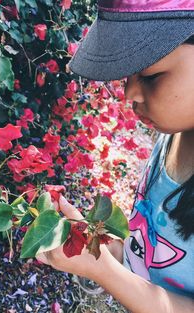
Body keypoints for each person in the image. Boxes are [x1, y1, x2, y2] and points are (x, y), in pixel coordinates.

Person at [37, 1, 194, 312]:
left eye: (150, 75)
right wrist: (112, 249)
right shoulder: (172, 133)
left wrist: (103, 271)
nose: (129, 94)